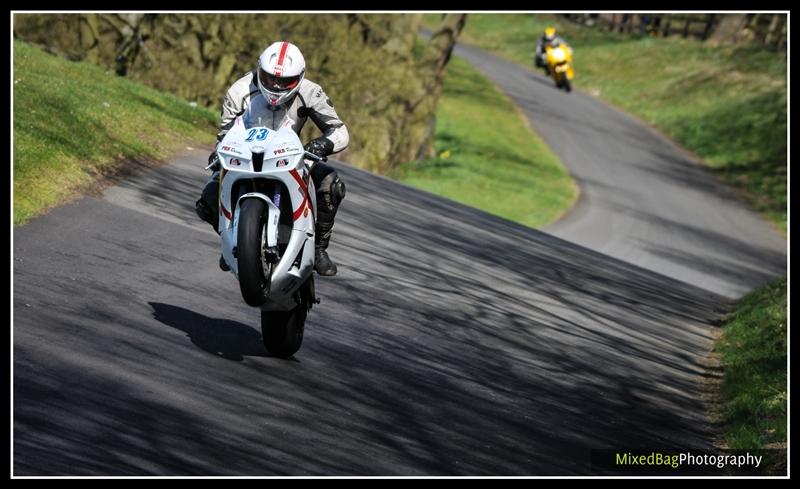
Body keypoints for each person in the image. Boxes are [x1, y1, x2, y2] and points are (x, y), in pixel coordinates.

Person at [195, 41, 349, 277]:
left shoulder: (311, 92)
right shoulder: (239, 90)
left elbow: (339, 131)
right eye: (269, 78)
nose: (276, 86)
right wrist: (220, 152)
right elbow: (225, 133)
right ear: (259, 70)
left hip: (290, 156)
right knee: (207, 199)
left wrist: (321, 145)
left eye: (284, 81)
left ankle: (318, 249)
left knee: (330, 184)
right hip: (246, 155)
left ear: (300, 77)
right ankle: (236, 241)